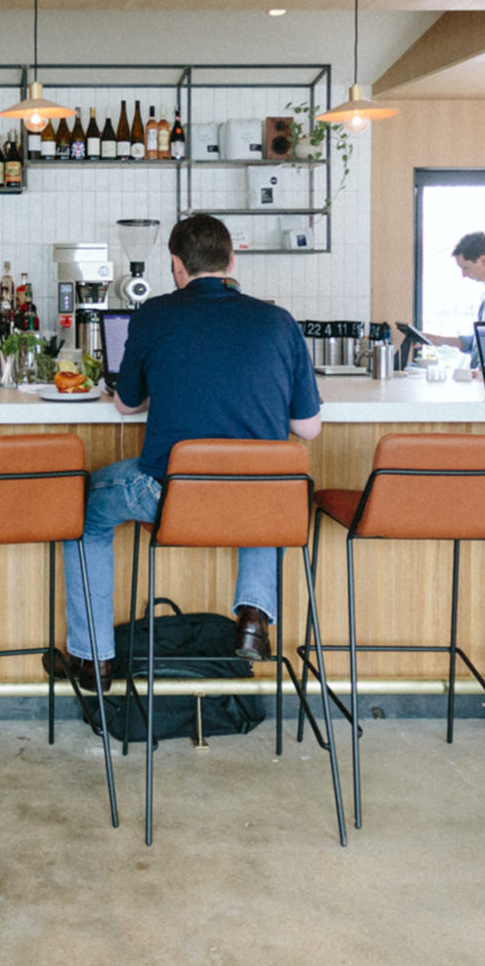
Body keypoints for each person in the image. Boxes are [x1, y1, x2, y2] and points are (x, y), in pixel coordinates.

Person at [49, 214, 322, 684]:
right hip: (259, 495)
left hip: (170, 492)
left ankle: (93, 657)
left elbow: (126, 404)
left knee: (82, 507)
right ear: (231, 261)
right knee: (269, 487)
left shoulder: (154, 314)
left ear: (176, 265)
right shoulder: (279, 321)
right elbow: (309, 428)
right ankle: (254, 618)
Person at [422, 232, 485, 356]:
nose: (464, 275)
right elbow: (481, 343)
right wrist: (439, 340)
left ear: (484, 260)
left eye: (466, 268)